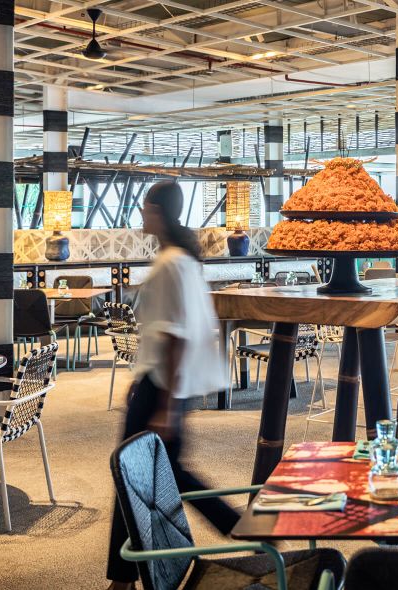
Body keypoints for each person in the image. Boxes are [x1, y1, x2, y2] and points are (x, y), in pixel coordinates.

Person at [106, 181, 234, 589]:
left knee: (140, 479)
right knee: (151, 477)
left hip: (164, 390)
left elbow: (176, 336)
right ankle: (124, 578)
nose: (141, 215)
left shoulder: (170, 264)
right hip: (165, 385)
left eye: (144, 208)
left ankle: (238, 526)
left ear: (157, 211)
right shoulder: (182, 260)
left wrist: (163, 402)